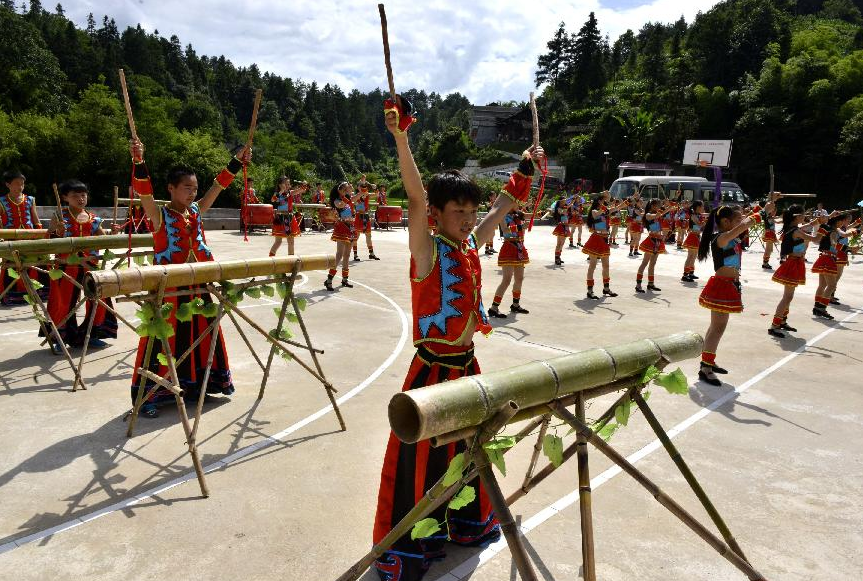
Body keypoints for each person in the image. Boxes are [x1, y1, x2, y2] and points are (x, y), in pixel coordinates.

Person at [373, 94, 543, 581]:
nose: (469, 220)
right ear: (438, 215)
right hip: (431, 372)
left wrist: (526, 169)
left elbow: (504, 206)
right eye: (458, 211)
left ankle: (461, 524)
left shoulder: (468, 245)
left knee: (467, 451)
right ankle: (407, 546)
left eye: (471, 212)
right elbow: (414, 199)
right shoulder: (425, 253)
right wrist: (401, 138)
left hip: (467, 366)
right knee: (422, 460)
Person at [126, 138, 243, 418]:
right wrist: (138, 160)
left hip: (199, 285)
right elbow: (144, 193)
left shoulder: (196, 212)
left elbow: (218, 186)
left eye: (194, 189)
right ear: (171, 188)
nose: (192, 193)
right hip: (168, 290)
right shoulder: (158, 216)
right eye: (186, 188)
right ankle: (151, 395)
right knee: (162, 341)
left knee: (202, 333)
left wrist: (237, 161)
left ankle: (198, 385)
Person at [43, 180, 119, 350]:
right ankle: (59, 339)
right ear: (65, 198)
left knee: (97, 300)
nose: (81, 199)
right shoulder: (59, 216)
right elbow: (49, 240)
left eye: (83, 195)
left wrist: (113, 233)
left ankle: (91, 335)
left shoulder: (94, 219)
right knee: (63, 303)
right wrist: (57, 232)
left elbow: (103, 240)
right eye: (75, 196)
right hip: (66, 266)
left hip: (90, 266)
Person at [696, 206, 752, 386]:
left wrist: (766, 208)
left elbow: (741, 228)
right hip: (721, 286)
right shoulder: (721, 237)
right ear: (726, 222)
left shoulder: (731, 237)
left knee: (715, 327)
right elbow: (742, 227)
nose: (740, 223)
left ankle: (708, 361)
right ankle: (705, 368)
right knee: (718, 328)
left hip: (729, 285)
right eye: (737, 220)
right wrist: (759, 215)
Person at [768, 205, 824, 337]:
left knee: (789, 297)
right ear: (797, 217)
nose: (805, 217)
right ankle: (774, 325)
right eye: (803, 215)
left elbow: (810, 224)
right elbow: (816, 239)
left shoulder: (792, 228)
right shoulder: (796, 231)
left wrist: (825, 219)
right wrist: (823, 228)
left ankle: (782, 321)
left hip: (795, 263)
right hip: (792, 264)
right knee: (787, 297)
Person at [1, 170, 43, 305]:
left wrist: (40, 234)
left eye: (22, 184)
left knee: (32, 265)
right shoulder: (1, 201)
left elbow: (35, 219)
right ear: (8, 184)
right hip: (10, 240)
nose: (20, 187)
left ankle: (32, 293)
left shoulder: (30, 200)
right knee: (11, 266)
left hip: (29, 238)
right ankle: (11, 295)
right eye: (17, 184)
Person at [488, 206, 530, 317]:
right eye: (516, 202)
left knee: (519, 278)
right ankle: (494, 307)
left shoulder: (519, 214)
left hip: (519, 248)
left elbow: (529, 216)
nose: (518, 204)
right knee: (506, 280)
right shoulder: (502, 215)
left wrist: (539, 214)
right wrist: (520, 227)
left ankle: (515, 305)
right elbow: (505, 230)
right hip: (509, 247)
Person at [812, 214, 854, 319]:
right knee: (831, 285)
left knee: (822, 285)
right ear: (838, 222)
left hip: (823, 257)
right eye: (841, 221)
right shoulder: (834, 231)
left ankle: (817, 307)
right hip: (829, 258)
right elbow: (835, 244)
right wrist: (849, 249)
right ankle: (822, 308)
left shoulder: (828, 228)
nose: (842, 223)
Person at [583, 191, 621, 299]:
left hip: (604, 239)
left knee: (606, 265)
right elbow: (596, 214)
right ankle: (590, 290)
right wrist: (604, 207)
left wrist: (630, 199)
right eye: (603, 201)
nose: (605, 203)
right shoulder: (595, 211)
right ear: (599, 202)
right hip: (596, 239)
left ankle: (606, 288)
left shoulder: (605, 211)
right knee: (593, 265)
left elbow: (617, 207)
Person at [325, 181, 361, 290]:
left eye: (347, 189)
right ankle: (329, 279)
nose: (347, 191)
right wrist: (349, 194)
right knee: (339, 254)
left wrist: (362, 189)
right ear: (339, 190)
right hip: (341, 227)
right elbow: (342, 204)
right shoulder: (337, 201)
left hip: (350, 227)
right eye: (344, 189)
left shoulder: (348, 199)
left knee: (347, 255)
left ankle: (345, 279)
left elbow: (359, 195)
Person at [635, 199, 667, 293]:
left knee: (653, 263)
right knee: (645, 263)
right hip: (651, 241)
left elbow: (664, 211)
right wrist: (664, 208)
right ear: (653, 206)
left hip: (658, 240)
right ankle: (638, 284)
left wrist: (671, 204)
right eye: (658, 205)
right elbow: (657, 215)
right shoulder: (648, 215)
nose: (659, 207)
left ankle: (651, 283)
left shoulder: (657, 213)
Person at [270, 176, 300, 257]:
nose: (288, 185)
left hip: (289, 218)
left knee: (291, 241)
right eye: (285, 184)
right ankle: (271, 258)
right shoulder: (277, 193)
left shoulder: (290, 192)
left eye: (289, 184)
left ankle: (291, 261)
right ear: (280, 185)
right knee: (278, 242)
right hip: (280, 218)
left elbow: (300, 190)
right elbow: (273, 200)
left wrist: (304, 186)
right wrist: (281, 191)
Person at [353, 179, 379, 260]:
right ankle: (355, 255)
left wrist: (375, 188)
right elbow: (353, 200)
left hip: (366, 216)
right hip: (358, 216)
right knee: (356, 236)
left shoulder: (368, 195)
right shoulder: (356, 195)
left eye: (364, 186)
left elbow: (377, 195)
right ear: (358, 187)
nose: (363, 188)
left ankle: (371, 253)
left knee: (369, 236)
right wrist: (360, 195)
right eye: (361, 186)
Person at [681, 200, 705, 282]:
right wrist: (706, 221)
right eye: (702, 206)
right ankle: (685, 275)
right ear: (698, 207)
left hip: (697, 236)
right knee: (690, 256)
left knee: (694, 256)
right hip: (693, 237)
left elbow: (705, 217)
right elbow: (699, 224)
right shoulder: (693, 215)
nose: (703, 208)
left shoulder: (699, 215)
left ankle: (691, 273)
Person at [760, 192, 780, 269]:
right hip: (769, 232)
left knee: (769, 249)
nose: (775, 211)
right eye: (774, 210)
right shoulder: (768, 212)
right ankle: (765, 263)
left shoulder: (770, 215)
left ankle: (766, 262)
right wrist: (771, 198)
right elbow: (768, 208)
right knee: (768, 249)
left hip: (770, 231)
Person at [552, 194, 572, 265]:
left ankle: (559, 257)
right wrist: (567, 207)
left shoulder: (565, 207)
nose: (565, 202)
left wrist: (573, 199)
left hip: (566, 226)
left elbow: (570, 205)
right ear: (560, 202)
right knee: (559, 243)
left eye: (565, 201)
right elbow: (563, 212)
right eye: (563, 201)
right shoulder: (559, 209)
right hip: (561, 226)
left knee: (562, 243)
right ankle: (556, 258)